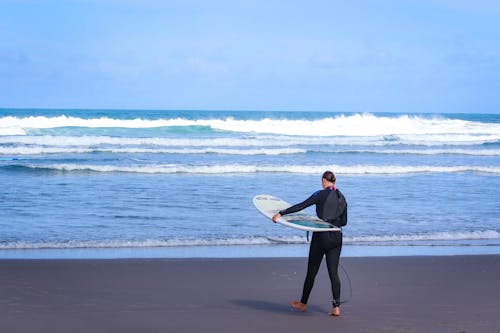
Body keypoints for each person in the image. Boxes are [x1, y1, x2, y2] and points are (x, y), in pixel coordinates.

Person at [272, 171, 347, 317]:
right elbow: (344, 221)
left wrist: (281, 213)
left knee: (312, 272)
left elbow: (301, 206)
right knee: (333, 273)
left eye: (322, 181)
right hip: (337, 237)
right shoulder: (342, 197)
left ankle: (303, 303)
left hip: (321, 237)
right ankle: (336, 307)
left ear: (324, 180)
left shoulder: (320, 194)